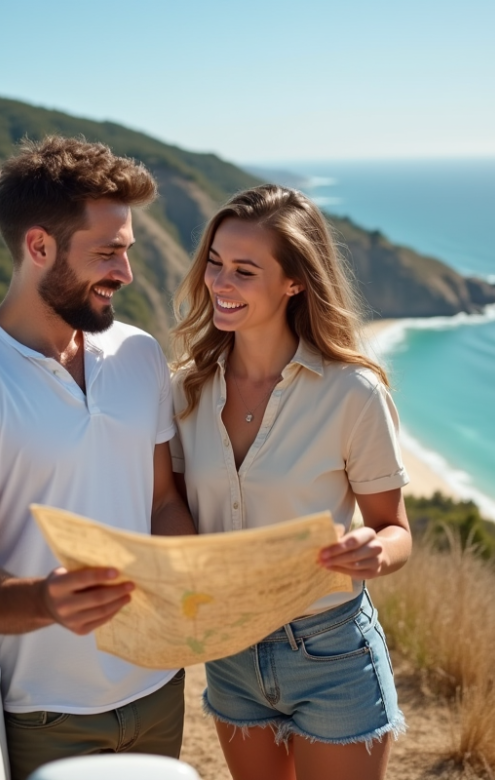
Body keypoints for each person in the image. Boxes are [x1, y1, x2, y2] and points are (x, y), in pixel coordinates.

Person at [0, 136, 197, 780]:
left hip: (158, 690)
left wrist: (194, 580)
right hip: (42, 718)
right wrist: (47, 600)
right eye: (107, 253)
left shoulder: (140, 354)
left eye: (127, 250)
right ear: (39, 247)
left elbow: (162, 501)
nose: (125, 272)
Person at [168, 184, 411, 780]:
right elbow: (169, 506)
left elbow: (395, 529)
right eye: (216, 265)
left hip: (330, 653)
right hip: (228, 650)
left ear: (294, 281)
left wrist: (374, 552)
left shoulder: (353, 394)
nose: (220, 284)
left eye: (245, 271)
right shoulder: (184, 390)